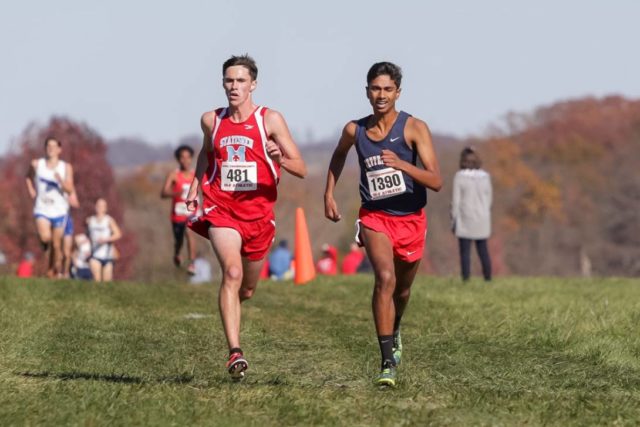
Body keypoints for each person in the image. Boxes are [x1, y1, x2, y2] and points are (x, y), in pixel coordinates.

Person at [185, 54, 307, 380]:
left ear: (253, 84)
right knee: (232, 271)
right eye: (229, 80)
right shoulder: (211, 120)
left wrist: (280, 157)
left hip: (259, 216)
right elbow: (205, 153)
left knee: (246, 289)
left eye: (240, 81)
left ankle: (232, 306)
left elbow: (302, 167)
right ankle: (235, 352)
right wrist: (195, 185)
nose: (234, 86)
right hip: (221, 208)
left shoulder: (270, 120)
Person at [324, 62, 442, 387]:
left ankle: (397, 325)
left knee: (402, 290)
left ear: (398, 93)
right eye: (375, 89)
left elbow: (436, 180)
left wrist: (403, 164)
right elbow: (338, 154)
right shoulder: (355, 130)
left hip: (412, 219)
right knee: (385, 279)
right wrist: (328, 193)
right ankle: (386, 361)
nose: (381, 95)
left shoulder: (414, 128)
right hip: (375, 217)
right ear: (366, 91)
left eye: (388, 89)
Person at [25, 137, 75, 278]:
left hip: (60, 211)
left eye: (54, 146)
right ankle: (45, 247)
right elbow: (28, 177)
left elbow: (70, 190)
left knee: (56, 244)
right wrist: (31, 189)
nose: (51, 148)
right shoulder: (36, 164)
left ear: (60, 150)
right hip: (42, 209)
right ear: (45, 148)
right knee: (46, 237)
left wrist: (61, 181)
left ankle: (52, 269)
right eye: (48, 145)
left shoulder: (65, 167)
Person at [451, 147, 492, 281]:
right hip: (483, 218)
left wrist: (453, 218)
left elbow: (455, 201)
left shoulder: (460, 176)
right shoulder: (485, 176)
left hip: (465, 218)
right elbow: (489, 198)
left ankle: (466, 279)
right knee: (483, 250)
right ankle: (488, 278)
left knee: (465, 252)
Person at [161, 145, 197, 274]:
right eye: (182, 157)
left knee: (190, 232)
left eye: (188, 157)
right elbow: (163, 193)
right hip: (177, 214)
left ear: (191, 158)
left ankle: (192, 264)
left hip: (192, 212)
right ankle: (177, 253)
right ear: (178, 159)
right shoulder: (174, 175)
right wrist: (176, 193)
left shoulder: (196, 174)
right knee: (179, 240)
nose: (185, 160)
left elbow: (205, 191)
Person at [87, 198, 122, 282]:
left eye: (102, 206)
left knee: (107, 284)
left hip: (107, 255)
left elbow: (118, 234)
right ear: (95, 207)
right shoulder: (90, 220)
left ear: (105, 208)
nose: (100, 208)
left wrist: (106, 240)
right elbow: (87, 235)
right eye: (98, 205)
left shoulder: (109, 220)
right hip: (95, 255)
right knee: (97, 281)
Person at [62, 190, 80, 278]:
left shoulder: (68, 187)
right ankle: (56, 271)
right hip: (52, 218)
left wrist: (68, 198)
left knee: (67, 251)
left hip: (66, 221)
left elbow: (76, 204)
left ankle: (66, 273)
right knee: (55, 247)